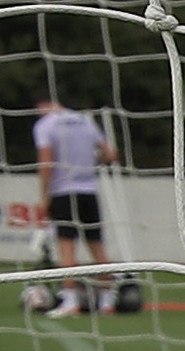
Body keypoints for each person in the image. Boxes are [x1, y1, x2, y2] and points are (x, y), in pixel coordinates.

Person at [33, 89, 120, 316]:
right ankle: (106, 302)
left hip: (63, 191)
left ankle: (70, 301)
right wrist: (90, 164)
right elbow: (110, 154)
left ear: (41, 105)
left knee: (67, 248)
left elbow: (46, 163)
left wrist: (44, 197)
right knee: (97, 248)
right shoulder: (85, 121)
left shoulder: (46, 125)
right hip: (89, 191)